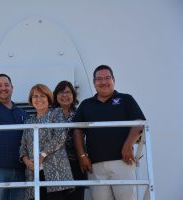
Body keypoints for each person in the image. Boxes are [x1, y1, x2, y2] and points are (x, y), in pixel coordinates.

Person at [73, 65, 146, 200]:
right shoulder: (86, 104)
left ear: (114, 80)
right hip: (95, 165)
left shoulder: (126, 99)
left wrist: (128, 145)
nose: (103, 82)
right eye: (99, 79)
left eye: (107, 78)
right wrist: (82, 156)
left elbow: (138, 123)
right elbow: (77, 131)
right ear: (94, 82)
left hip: (123, 162)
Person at [20, 84, 74, 200]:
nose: (39, 99)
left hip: (55, 172)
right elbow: (22, 146)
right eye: (35, 96)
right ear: (31, 100)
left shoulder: (57, 113)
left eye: (42, 96)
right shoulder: (28, 122)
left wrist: (41, 156)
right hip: (33, 173)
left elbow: (60, 136)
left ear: (48, 98)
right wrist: (26, 161)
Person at [53, 80, 87, 200]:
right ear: (56, 95)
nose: (65, 95)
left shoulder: (79, 113)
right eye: (61, 92)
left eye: (68, 92)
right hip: (56, 165)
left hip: (76, 163)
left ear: (73, 95)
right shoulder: (50, 114)